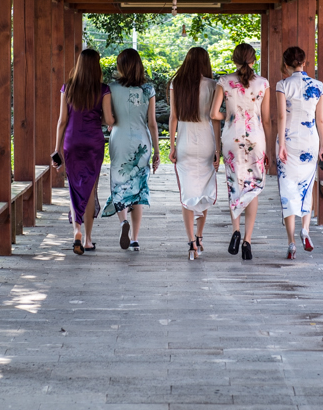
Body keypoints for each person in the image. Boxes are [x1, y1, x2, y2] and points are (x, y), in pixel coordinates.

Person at [211, 43, 270, 261]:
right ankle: (248, 241)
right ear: (253, 60)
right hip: (256, 139)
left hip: (231, 139)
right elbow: (265, 119)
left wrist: (230, 116)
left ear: (234, 60)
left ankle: (235, 230)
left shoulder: (224, 82)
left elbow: (213, 113)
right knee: (253, 187)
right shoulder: (263, 83)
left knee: (234, 183)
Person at [53, 49, 114, 255]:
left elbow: (62, 121)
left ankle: (76, 230)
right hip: (93, 143)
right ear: (96, 66)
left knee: (74, 188)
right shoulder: (103, 89)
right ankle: (88, 240)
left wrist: (56, 150)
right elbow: (108, 120)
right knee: (89, 189)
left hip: (71, 141)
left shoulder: (67, 88)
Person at [103, 48, 159, 251]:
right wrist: (157, 152)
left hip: (119, 139)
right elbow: (152, 123)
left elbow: (108, 119)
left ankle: (122, 223)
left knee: (119, 184)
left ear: (120, 66)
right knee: (139, 188)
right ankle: (134, 238)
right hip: (141, 141)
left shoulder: (111, 88)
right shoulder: (148, 89)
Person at [275, 46, 323, 259]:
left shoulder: (282, 85)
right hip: (310, 140)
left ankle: (291, 242)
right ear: (304, 62)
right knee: (307, 184)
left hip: (288, 139)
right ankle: (305, 229)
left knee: (288, 189)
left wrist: (280, 146)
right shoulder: (318, 86)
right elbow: (321, 120)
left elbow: (281, 117)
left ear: (286, 64)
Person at [168, 47, 220, 260]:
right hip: (206, 142)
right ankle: (199, 236)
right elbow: (215, 119)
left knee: (187, 195)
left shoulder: (176, 84)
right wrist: (218, 149)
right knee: (204, 189)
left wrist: (171, 145)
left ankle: (191, 243)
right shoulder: (213, 85)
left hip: (185, 143)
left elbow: (173, 117)